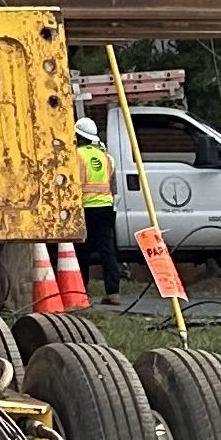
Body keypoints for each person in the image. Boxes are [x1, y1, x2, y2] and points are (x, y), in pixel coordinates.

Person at [74, 112, 123, 303]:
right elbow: (113, 187)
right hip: (106, 208)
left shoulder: (76, 156)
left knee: (82, 253)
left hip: (85, 209)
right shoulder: (107, 157)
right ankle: (113, 292)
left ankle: (81, 291)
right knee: (107, 251)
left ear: (78, 137)